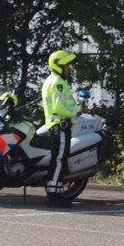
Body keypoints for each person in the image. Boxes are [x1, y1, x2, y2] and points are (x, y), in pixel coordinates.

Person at [42, 49, 79, 207]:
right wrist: (77, 110)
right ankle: (53, 196)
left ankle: (55, 192)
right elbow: (59, 107)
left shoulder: (51, 80)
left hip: (55, 126)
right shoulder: (58, 83)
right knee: (58, 161)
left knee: (58, 160)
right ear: (58, 66)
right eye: (66, 65)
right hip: (60, 125)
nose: (69, 68)